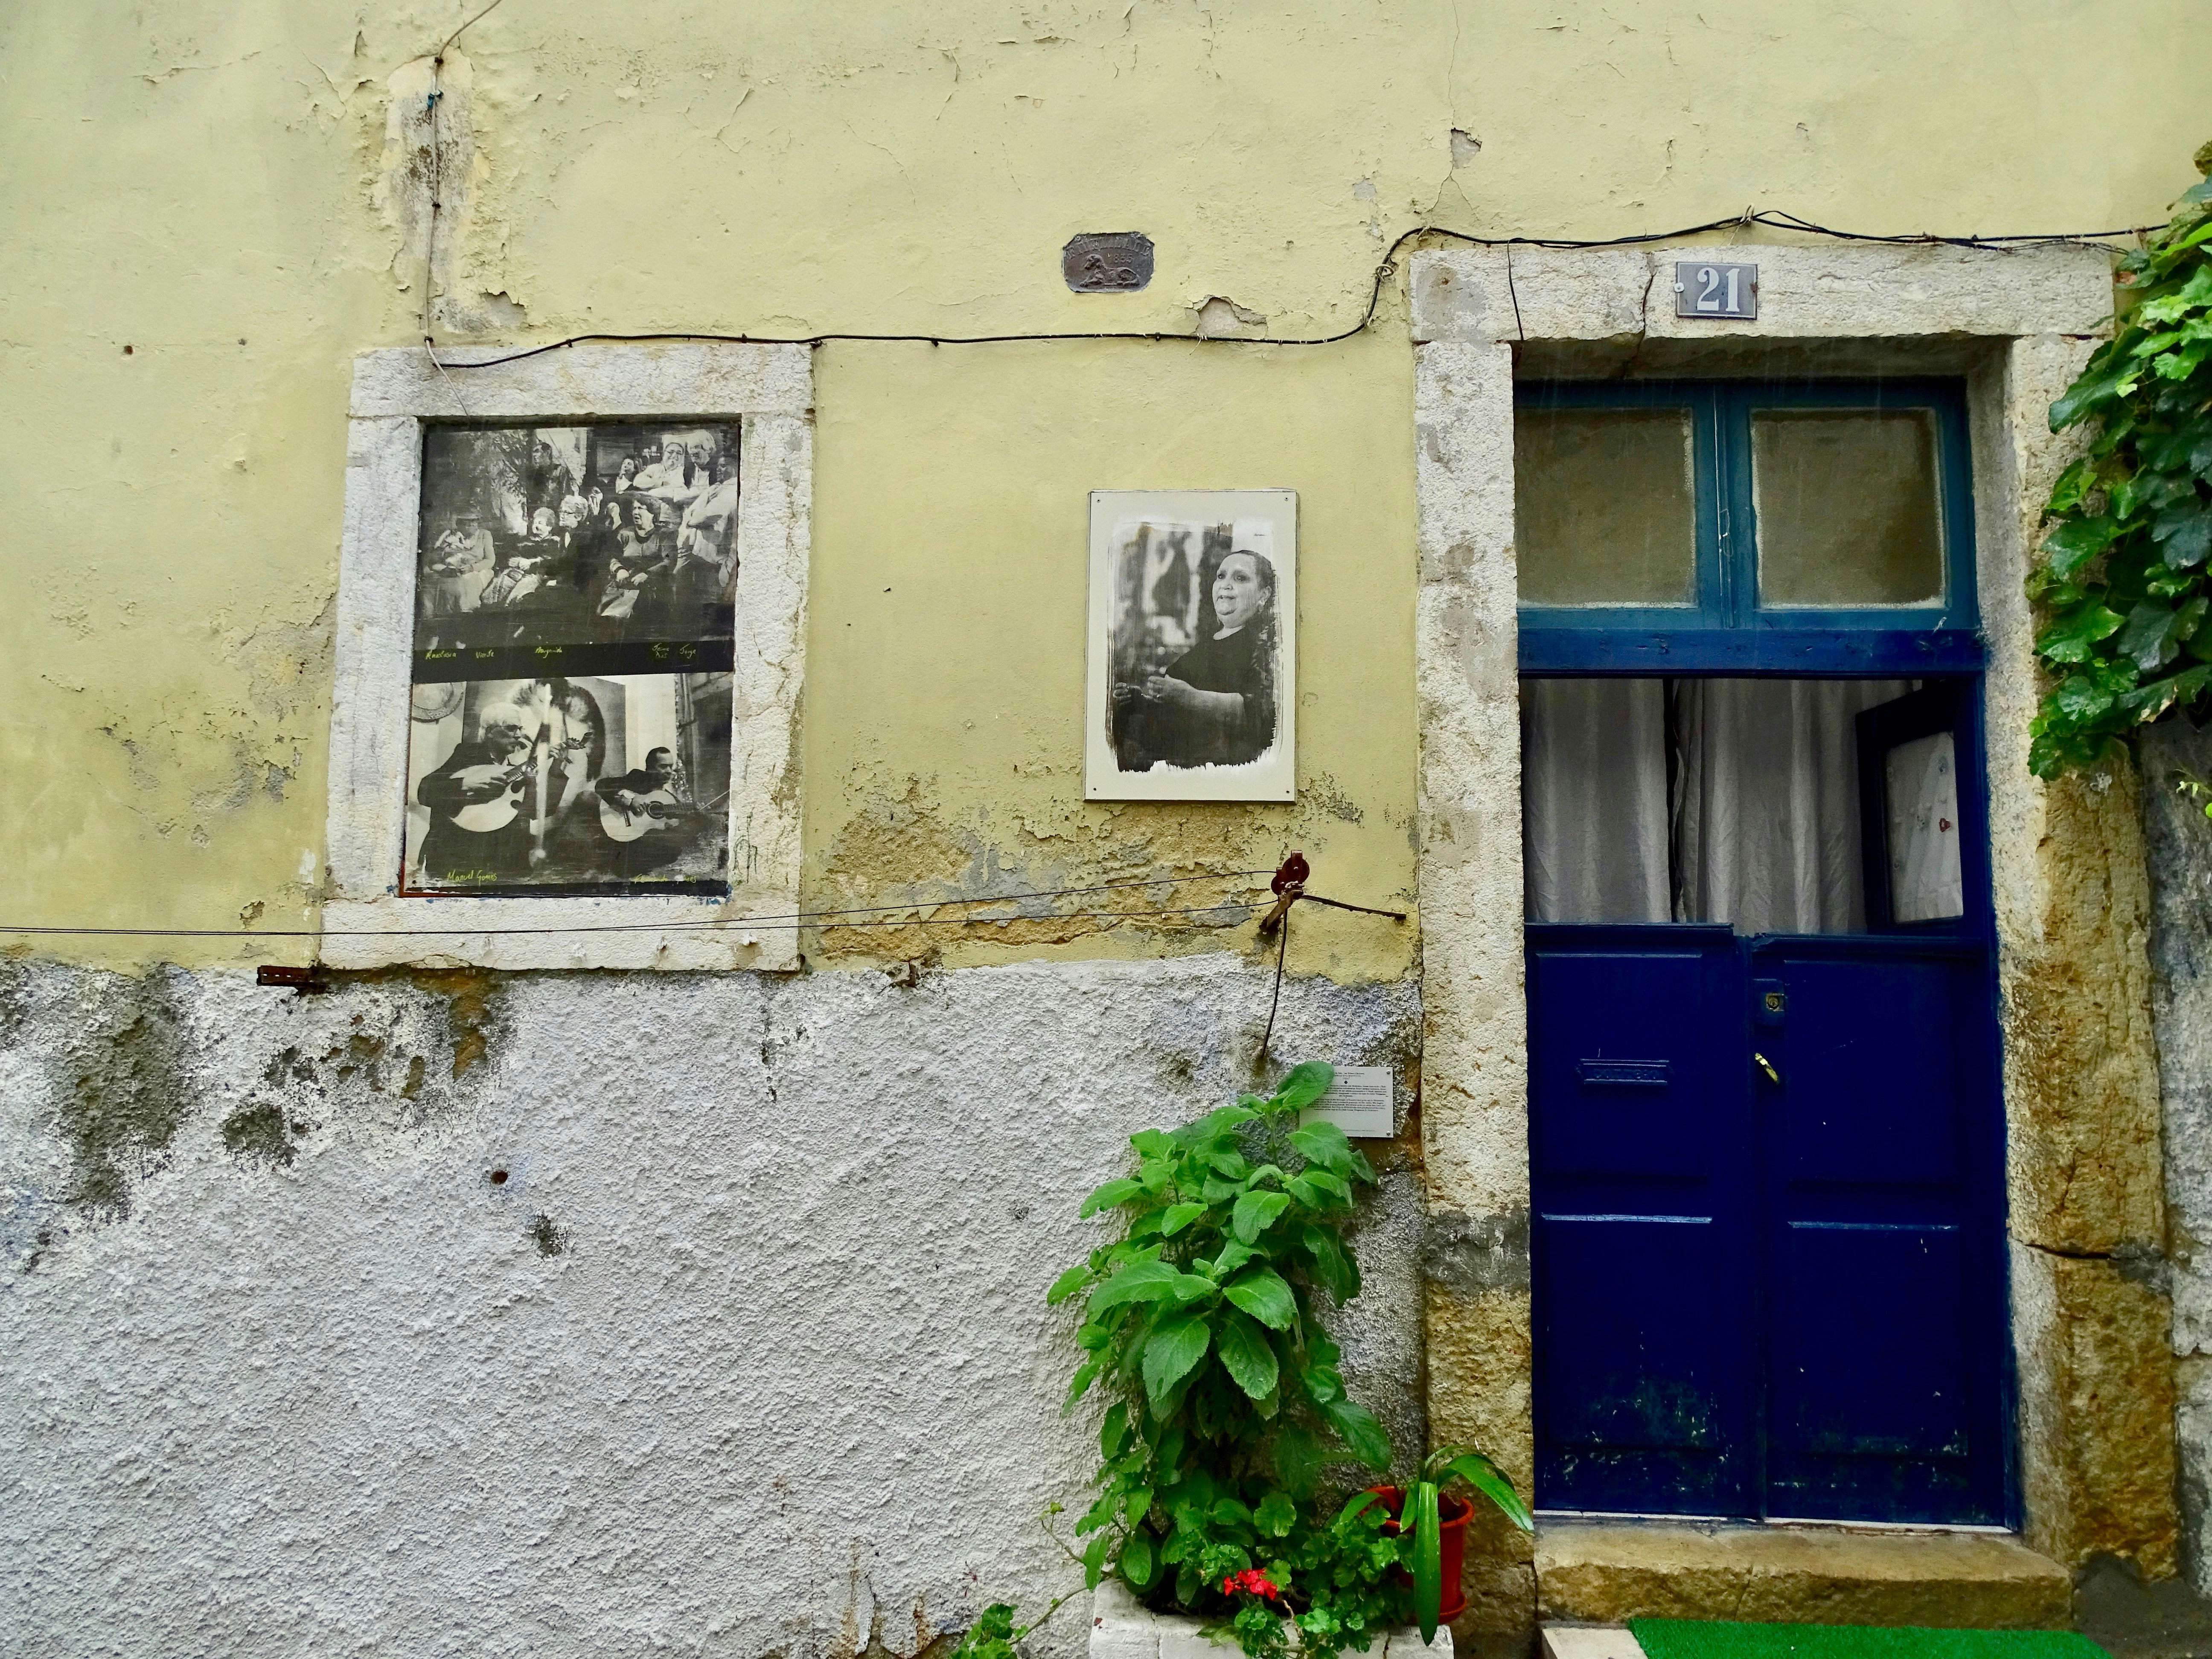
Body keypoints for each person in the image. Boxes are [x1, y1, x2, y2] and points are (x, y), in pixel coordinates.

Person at [1113, 548, 1279, 769]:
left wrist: (1186, 696)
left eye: (1240, 578)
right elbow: (1180, 712)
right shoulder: (1210, 641)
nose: (1226, 584)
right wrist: (1137, 702)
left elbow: (1262, 716)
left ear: (1264, 595)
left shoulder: (1268, 646)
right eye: (1221, 576)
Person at [413, 702, 541, 883]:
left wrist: (537, 779)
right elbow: (426, 791)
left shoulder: (515, 772)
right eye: (512, 728)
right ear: (489, 732)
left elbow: (534, 812)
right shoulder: (467, 756)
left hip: (504, 870)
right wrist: (466, 783)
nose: (519, 735)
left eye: (520, 729)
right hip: (460, 866)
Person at [589, 746, 698, 878]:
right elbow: (602, 785)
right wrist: (630, 800)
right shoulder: (637, 777)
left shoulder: (669, 798)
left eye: (671, 766)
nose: (669, 771)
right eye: (663, 767)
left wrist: (694, 813)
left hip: (640, 844)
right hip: (620, 838)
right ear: (650, 768)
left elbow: (680, 818)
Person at [419, 513, 495, 630]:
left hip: (479, 570)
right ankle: (438, 621)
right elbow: (434, 559)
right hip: (451, 570)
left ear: (478, 523)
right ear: (458, 524)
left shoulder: (485, 535)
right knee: (435, 583)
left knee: (466, 580)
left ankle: (465, 617)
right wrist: (446, 544)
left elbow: (490, 561)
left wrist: (472, 568)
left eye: (473, 522)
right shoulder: (449, 535)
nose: (469, 526)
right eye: (465, 523)